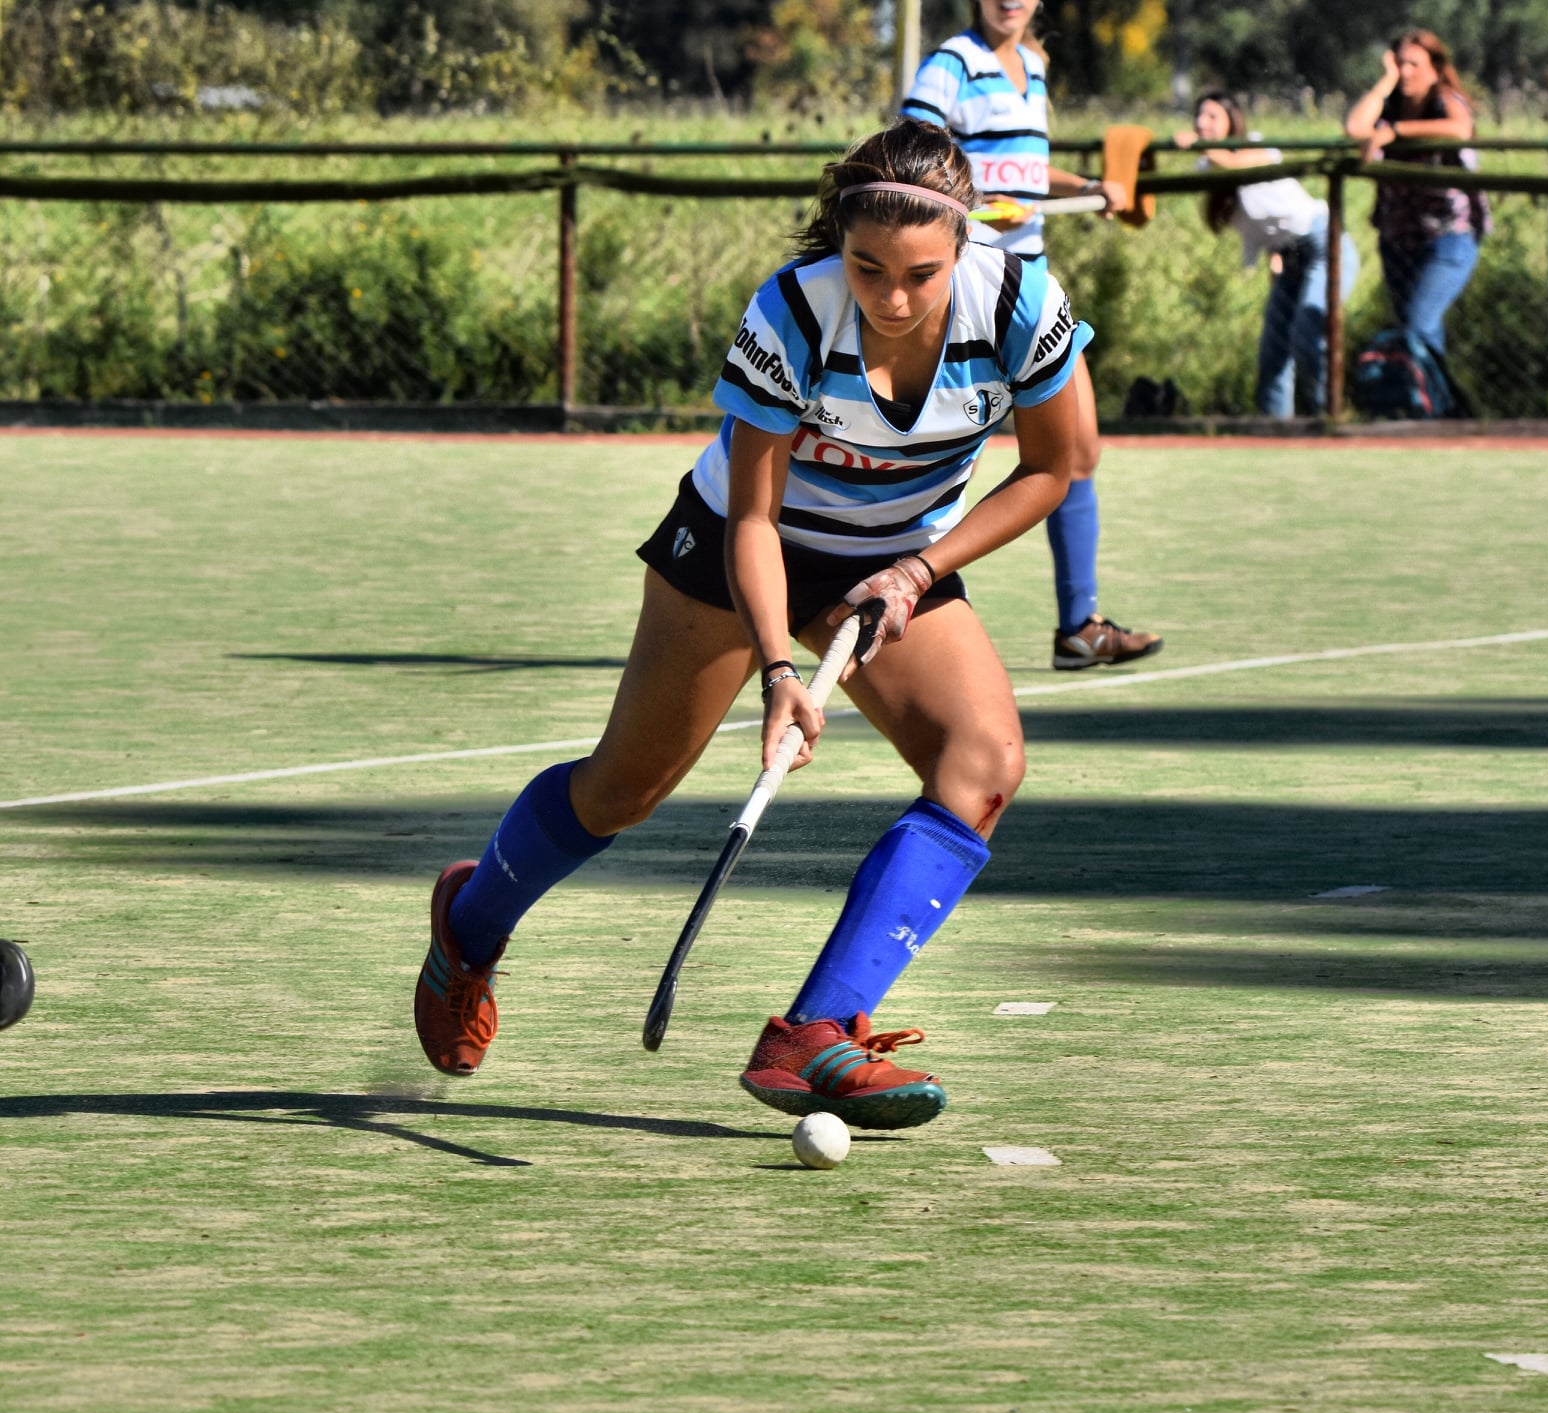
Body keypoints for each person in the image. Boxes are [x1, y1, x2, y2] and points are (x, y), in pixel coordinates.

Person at [412, 119, 1091, 1132]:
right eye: (869, 268)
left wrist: (917, 569)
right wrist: (780, 669)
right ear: (840, 243)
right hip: (744, 541)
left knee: (982, 761)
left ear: (967, 246)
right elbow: (756, 514)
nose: (893, 300)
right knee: (624, 790)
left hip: (899, 550)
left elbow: (1056, 466)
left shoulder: (1018, 302)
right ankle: (470, 927)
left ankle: (817, 1031)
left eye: (921, 273)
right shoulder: (794, 313)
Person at [899, 0, 1162, 673]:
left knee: (1078, 453)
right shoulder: (953, 63)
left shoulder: (1034, 69)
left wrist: (1091, 187)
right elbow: (910, 160)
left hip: (1032, 282)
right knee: (909, 451)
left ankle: (1079, 626)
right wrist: (974, 200)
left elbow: (1024, 171)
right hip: (971, 280)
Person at [1175, 92, 1360, 418]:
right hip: (1287, 258)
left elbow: (1236, 166)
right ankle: (1276, 430)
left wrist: (1198, 145)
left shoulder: (1256, 147)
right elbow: (1257, 222)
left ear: (1233, 122)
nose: (1202, 123)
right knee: (1274, 350)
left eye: (1212, 116)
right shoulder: (1208, 166)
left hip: (1322, 246)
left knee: (1308, 330)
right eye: (1199, 116)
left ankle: (1328, 420)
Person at [1344, 30, 1489, 362]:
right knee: (1421, 330)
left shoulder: (1445, 101)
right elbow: (1355, 128)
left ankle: (1430, 404)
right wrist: (1385, 82)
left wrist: (1394, 133)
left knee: (1418, 322)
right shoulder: (1390, 106)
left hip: (1449, 236)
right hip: (1398, 238)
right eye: (1399, 63)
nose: (1405, 72)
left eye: (1414, 64)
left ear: (1435, 69)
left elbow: (1459, 128)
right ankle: (1435, 406)